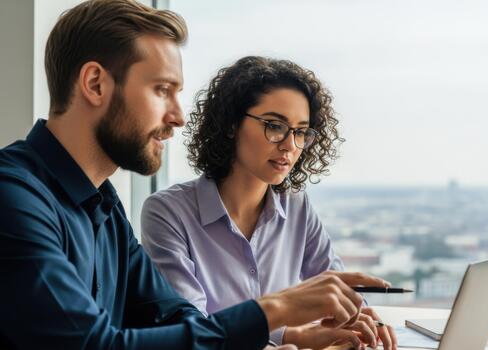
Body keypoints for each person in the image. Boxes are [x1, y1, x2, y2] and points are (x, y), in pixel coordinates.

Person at [0, 1, 390, 349]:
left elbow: (175, 317)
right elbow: (93, 344)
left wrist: (277, 337)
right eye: (161, 90)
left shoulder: (103, 205)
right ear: (95, 84)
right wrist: (273, 309)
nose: (178, 116)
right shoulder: (13, 196)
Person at [141, 56, 397, 350]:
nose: (290, 144)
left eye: (301, 131)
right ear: (231, 124)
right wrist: (288, 335)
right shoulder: (168, 212)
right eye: (275, 125)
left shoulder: (297, 207)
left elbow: (336, 289)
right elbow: (191, 332)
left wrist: (360, 321)